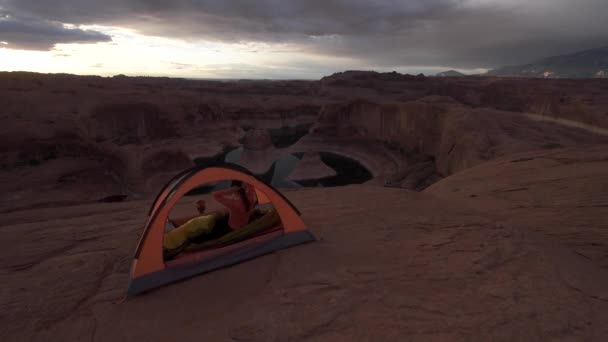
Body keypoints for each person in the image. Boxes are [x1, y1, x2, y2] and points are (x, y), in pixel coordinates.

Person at [163, 182, 259, 258]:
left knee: (194, 227)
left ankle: (167, 244)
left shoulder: (236, 202)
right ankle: (169, 240)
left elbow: (216, 195)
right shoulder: (247, 204)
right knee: (196, 224)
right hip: (229, 225)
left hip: (225, 228)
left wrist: (232, 190)